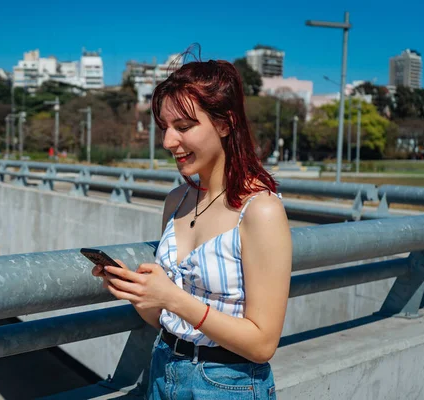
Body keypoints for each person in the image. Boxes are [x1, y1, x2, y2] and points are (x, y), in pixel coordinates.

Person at [92, 58, 292, 399]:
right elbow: (167, 320)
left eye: (183, 127)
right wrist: (140, 294)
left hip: (228, 383)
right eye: (165, 127)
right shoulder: (176, 201)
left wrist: (173, 298)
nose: (169, 141)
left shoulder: (261, 211)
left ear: (225, 124)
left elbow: (262, 344)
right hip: (162, 369)